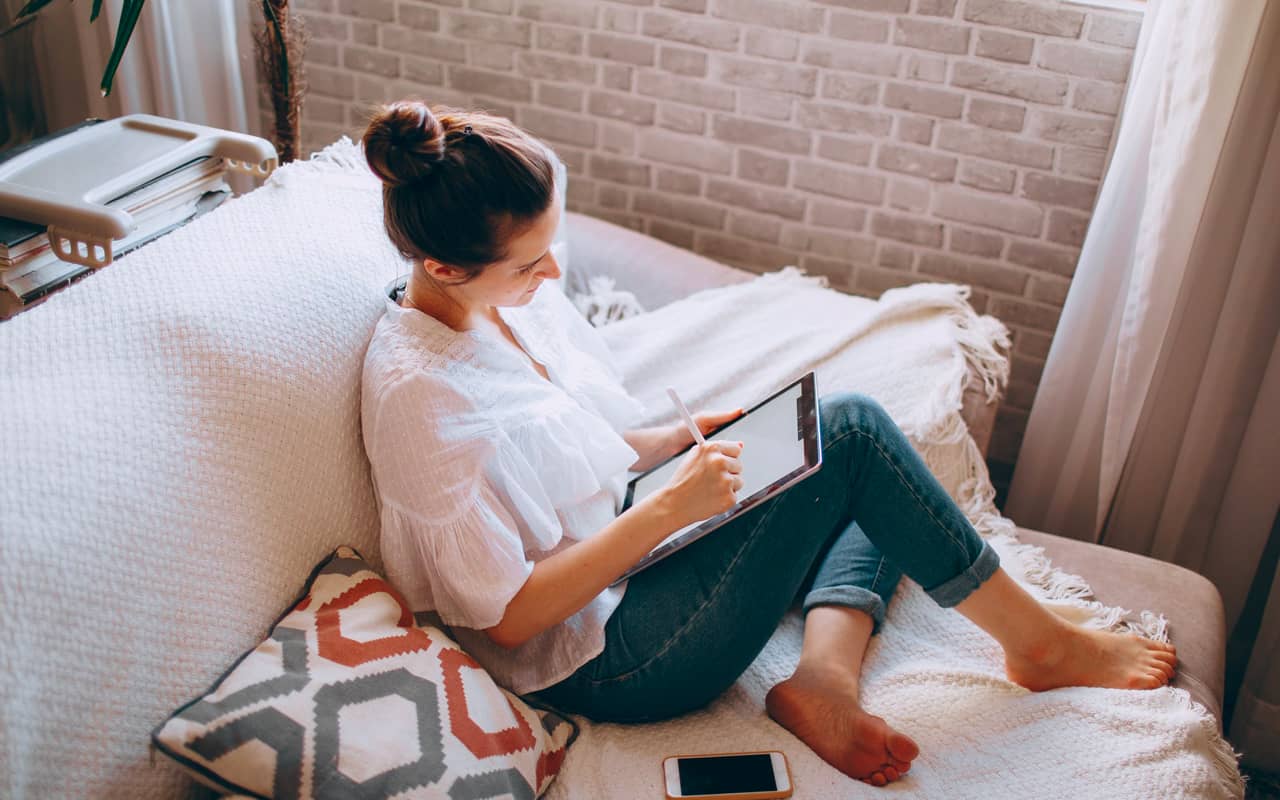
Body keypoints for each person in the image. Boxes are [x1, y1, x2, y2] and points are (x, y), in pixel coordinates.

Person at [358, 101, 1178, 788]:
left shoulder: (500, 300)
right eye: (529, 265)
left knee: (848, 443)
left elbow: (575, 446)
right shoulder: (423, 400)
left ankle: (823, 676)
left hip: (633, 537)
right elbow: (508, 619)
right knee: (855, 439)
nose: (551, 278)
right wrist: (669, 508)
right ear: (445, 266)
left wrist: (678, 439)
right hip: (605, 653)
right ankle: (1038, 645)